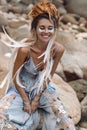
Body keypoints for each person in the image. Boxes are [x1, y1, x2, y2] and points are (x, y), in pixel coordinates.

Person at [0, 0, 76, 130]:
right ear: (34, 29)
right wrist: (25, 101)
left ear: (55, 29)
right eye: (42, 28)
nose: (46, 32)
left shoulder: (58, 49)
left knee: (63, 118)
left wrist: (36, 99)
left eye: (50, 28)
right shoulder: (25, 50)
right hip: (21, 90)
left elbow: (48, 77)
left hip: (42, 89)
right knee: (2, 113)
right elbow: (15, 78)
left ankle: (40, 120)